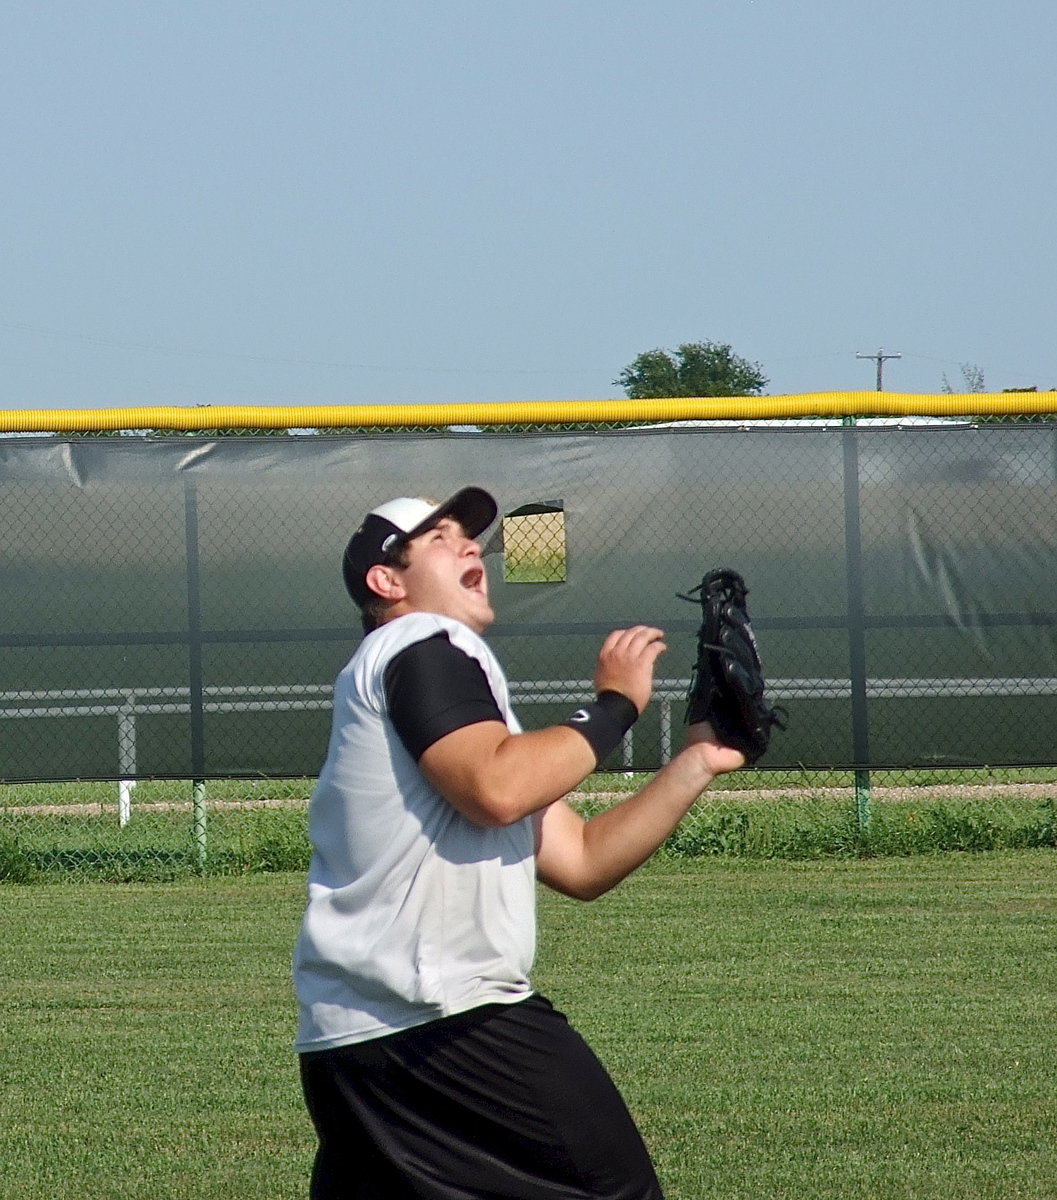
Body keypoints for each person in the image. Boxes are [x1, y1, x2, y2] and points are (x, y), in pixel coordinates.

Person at [293, 486, 745, 1199]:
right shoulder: (420, 641)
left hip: (355, 1043)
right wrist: (615, 705)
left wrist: (696, 763)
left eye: (469, 537)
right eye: (440, 539)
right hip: (449, 1023)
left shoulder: (422, 693)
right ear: (387, 581)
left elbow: (581, 859)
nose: (470, 546)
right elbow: (498, 787)